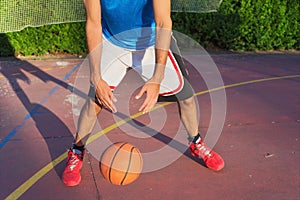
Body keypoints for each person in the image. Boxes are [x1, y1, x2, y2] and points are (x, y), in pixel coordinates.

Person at [62, 0, 225, 187]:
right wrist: (96, 77)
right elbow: (93, 23)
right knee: (94, 102)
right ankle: (76, 151)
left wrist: (157, 77)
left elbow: (164, 23)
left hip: (150, 42)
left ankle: (196, 143)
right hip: (112, 41)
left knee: (186, 97)